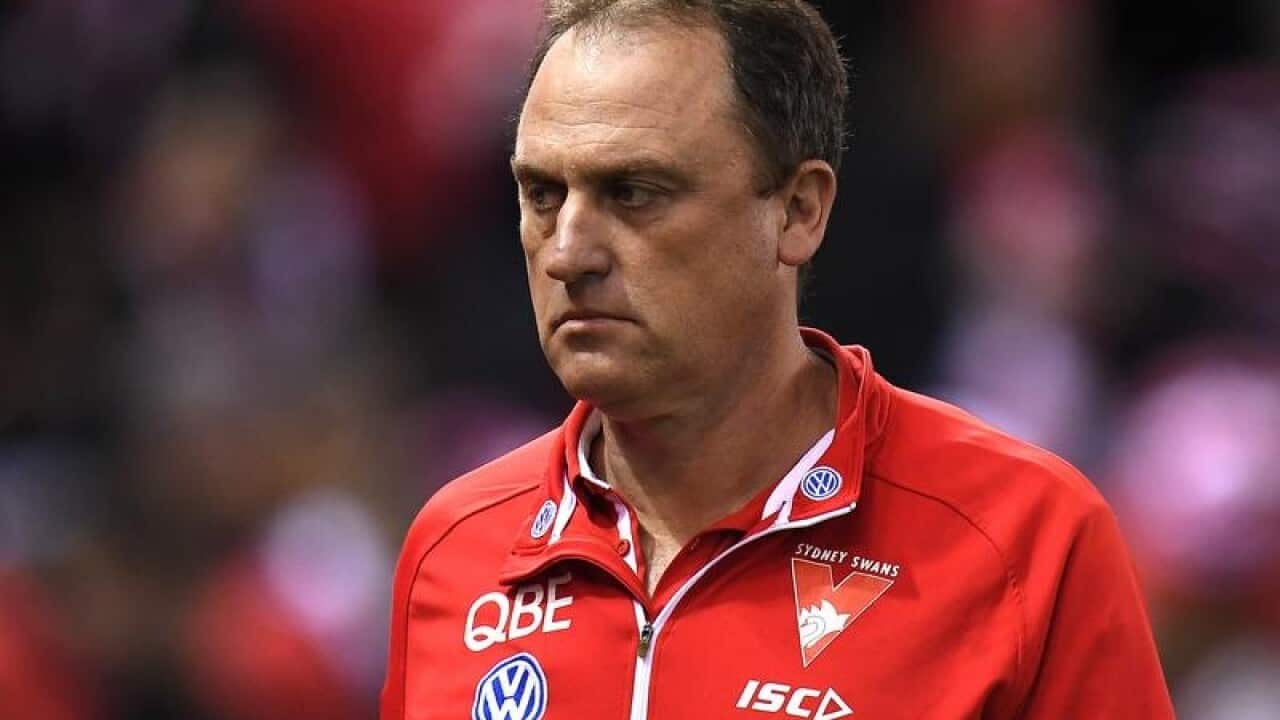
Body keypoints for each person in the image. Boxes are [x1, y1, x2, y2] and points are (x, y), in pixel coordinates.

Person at [381, 2, 1175, 718]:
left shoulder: (1024, 542)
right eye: (543, 195)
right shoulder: (456, 550)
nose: (567, 254)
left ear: (798, 211)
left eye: (634, 193)